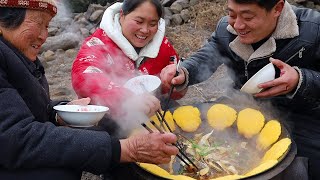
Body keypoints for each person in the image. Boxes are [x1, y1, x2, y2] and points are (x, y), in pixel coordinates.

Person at [0, 0, 178, 179]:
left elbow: (24, 106)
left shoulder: (19, 54)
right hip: (12, 153)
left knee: (94, 136)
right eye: (39, 24)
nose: (44, 36)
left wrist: (58, 112)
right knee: (61, 172)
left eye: (47, 26)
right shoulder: (98, 44)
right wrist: (126, 148)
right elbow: (13, 137)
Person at [160, 0, 320, 179]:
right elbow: (209, 53)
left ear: (277, 8)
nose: (237, 25)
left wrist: (302, 79)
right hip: (243, 104)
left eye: (247, 17)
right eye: (232, 14)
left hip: (301, 116)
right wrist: (184, 71)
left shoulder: (313, 29)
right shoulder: (226, 29)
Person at [71, 0, 185, 119]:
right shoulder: (99, 44)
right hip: (110, 119)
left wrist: (177, 82)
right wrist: (126, 98)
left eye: (152, 24)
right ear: (122, 15)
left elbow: (175, 91)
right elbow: (83, 78)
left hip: (155, 114)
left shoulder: (162, 46)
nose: (145, 30)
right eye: (139, 21)